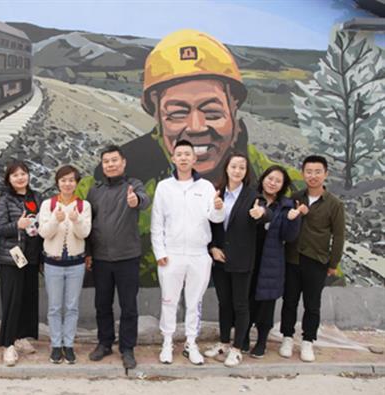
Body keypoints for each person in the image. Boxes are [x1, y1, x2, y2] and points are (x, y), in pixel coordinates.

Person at [77, 29, 303, 284]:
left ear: (234, 109)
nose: (196, 127)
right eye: (177, 113)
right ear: (157, 116)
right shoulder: (125, 175)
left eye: (212, 112)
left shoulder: (274, 179)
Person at [150, 140, 224, 366]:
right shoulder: (164, 187)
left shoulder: (206, 187)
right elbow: (157, 223)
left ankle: (191, 343)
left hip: (198, 254)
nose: (183, 158)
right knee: (169, 300)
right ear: (173, 158)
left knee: (194, 302)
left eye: (187, 154)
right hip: (171, 255)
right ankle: (167, 342)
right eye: (179, 154)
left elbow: (215, 218)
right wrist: (159, 252)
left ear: (194, 158)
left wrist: (219, 208)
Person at [86, 145, 150, 370]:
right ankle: (104, 343)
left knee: (128, 306)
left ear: (123, 163)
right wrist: (88, 253)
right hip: (101, 258)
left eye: (114, 160)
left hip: (127, 257)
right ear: (102, 165)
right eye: (106, 161)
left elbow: (144, 200)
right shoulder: (95, 191)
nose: (110, 165)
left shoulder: (134, 185)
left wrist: (136, 201)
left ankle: (127, 348)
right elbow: (88, 224)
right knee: (102, 304)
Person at [205, 152, 270, 367]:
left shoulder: (253, 196)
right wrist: (212, 247)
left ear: (246, 171)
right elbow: (208, 224)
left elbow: (265, 213)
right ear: (226, 168)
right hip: (220, 258)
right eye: (234, 166)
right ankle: (224, 342)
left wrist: (261, 213)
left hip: (242, 259)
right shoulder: (216, 193)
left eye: (242, 167)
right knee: (224, 303)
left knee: (240, 304)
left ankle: (237, 348)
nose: (237, 171)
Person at [279, 155, 345, 362]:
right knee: (289, 301)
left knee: (312, 304)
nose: (313, 176)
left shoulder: (334, 204)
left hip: (317, 260)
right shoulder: (295, 197)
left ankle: (308, 341)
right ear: (302, 174)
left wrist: (333, 263)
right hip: (292, 258)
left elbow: (339, 236)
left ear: (325, 174)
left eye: (318, 172)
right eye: (309, 171)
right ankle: (287, 338)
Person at [244, 165, 302, 359]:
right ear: (263, 179)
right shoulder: (251, 198)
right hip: (249, 257)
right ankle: (244, 336)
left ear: (282, 185)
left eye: (278, 181)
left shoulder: (286, 205)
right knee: (247, 299)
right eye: (270, 178)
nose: (273, 183)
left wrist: (293, 220)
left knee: (266, 303)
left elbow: (289, 237)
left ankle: (261, 341)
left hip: (271, 260)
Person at [38, 165, 92, 364]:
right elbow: (44, 232)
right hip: (53, 263)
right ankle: (56, 345)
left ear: (76, 183)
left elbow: (84, 233)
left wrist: (76, 220)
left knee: (71, 307)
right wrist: (55, 219)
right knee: (54, 307)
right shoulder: (48, 204)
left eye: (71, 180)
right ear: (57, 183)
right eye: (63, 180)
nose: (67, 184)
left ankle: (68, 345)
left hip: (76, 263)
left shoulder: (83, 206)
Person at [0, 160, 43, 366]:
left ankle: (21, 337)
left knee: (27, 298)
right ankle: (8, 344)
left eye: (23, 173)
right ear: (9, 179)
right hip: (13, 256)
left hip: (32, 255)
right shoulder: (5, 199)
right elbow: (0, 227)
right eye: (15, 175)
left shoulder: (36, 197)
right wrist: (18, 224)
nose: (20, 178)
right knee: (12, 299)